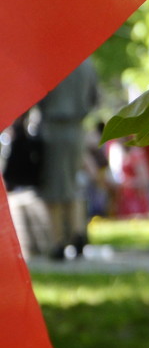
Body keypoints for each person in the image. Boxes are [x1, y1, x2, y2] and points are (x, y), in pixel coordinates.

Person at [37, 57, 99, 258]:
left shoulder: (50, 64)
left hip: (54, 129)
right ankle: (77, 232)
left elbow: (39, 97)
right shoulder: (87, 63)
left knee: (54, 187)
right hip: (78, 129)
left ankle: (58, 242)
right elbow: (95, 98)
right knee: (72, 183)